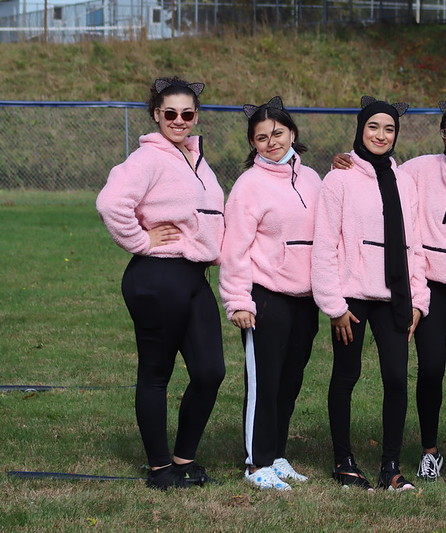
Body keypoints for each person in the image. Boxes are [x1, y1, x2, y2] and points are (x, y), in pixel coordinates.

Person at [336, 102, 446, 485]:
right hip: (429, 288)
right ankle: (429, 452)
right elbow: (381, 170)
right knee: (431, 369)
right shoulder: (420, 169)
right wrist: (344, 161)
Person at [96, 77, 226, 491]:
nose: (179, 120)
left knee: (210, 372)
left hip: (193, 277)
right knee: (156, 373)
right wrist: (140, 240)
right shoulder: (148, 158)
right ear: (156, 114)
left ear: (196, 117)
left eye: (187, 114)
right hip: (157, 276)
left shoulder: (195, 157)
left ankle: (183, 459)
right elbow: (110, 202)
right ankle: (159, 470)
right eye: (170, 113)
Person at [312, 96, 429, 492]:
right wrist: (333, 304)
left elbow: (415, 244)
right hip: (351, 298)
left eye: (389, 129)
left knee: (397, 379)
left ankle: (390, 467)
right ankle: (343, 461)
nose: (381, 135)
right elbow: (325, 243)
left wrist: (418, 299)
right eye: (373, 127)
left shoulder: (403, 179)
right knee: (347, 375)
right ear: (360, 130)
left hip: (394, 296)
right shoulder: (339, 177)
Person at [219, 97, 322, 491]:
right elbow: (234, 249)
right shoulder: (249, 185)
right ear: (253, 144)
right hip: (266, 297)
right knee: (263, 382)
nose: (271, 142)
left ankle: (277, 454)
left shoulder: (312, 178)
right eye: (261, 138)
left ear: (292, 133)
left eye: (277, 133)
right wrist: (239, 301)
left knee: (289, 380)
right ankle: (255, 462)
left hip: (305, 298)